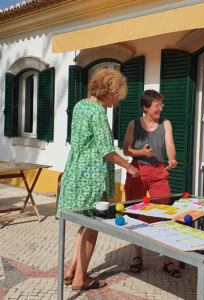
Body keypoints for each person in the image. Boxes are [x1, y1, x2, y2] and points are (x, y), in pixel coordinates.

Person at [56, 69, 139, 290]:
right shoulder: (97, 111)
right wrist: (129, 166)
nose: (114, 102)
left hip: (76, 171)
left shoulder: (80, 105)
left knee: (84, 223)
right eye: (115, 96)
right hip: (93, 176)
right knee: (93, 225)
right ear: (108, 90)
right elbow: (105, 150)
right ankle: (80, 280)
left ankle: (72, 270)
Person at [123, 90, 181, 278]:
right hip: (137, 171)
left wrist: (171, 158)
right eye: (157, 105)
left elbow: (170, 144)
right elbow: (126, 149)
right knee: (135, 212)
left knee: (162, 213)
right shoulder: (133, 124)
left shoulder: (165, 123)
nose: (160, 108)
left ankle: (167, 260)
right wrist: (141, 153)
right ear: (145, 107)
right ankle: (138, 256)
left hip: (158, 171)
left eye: (160, 105)